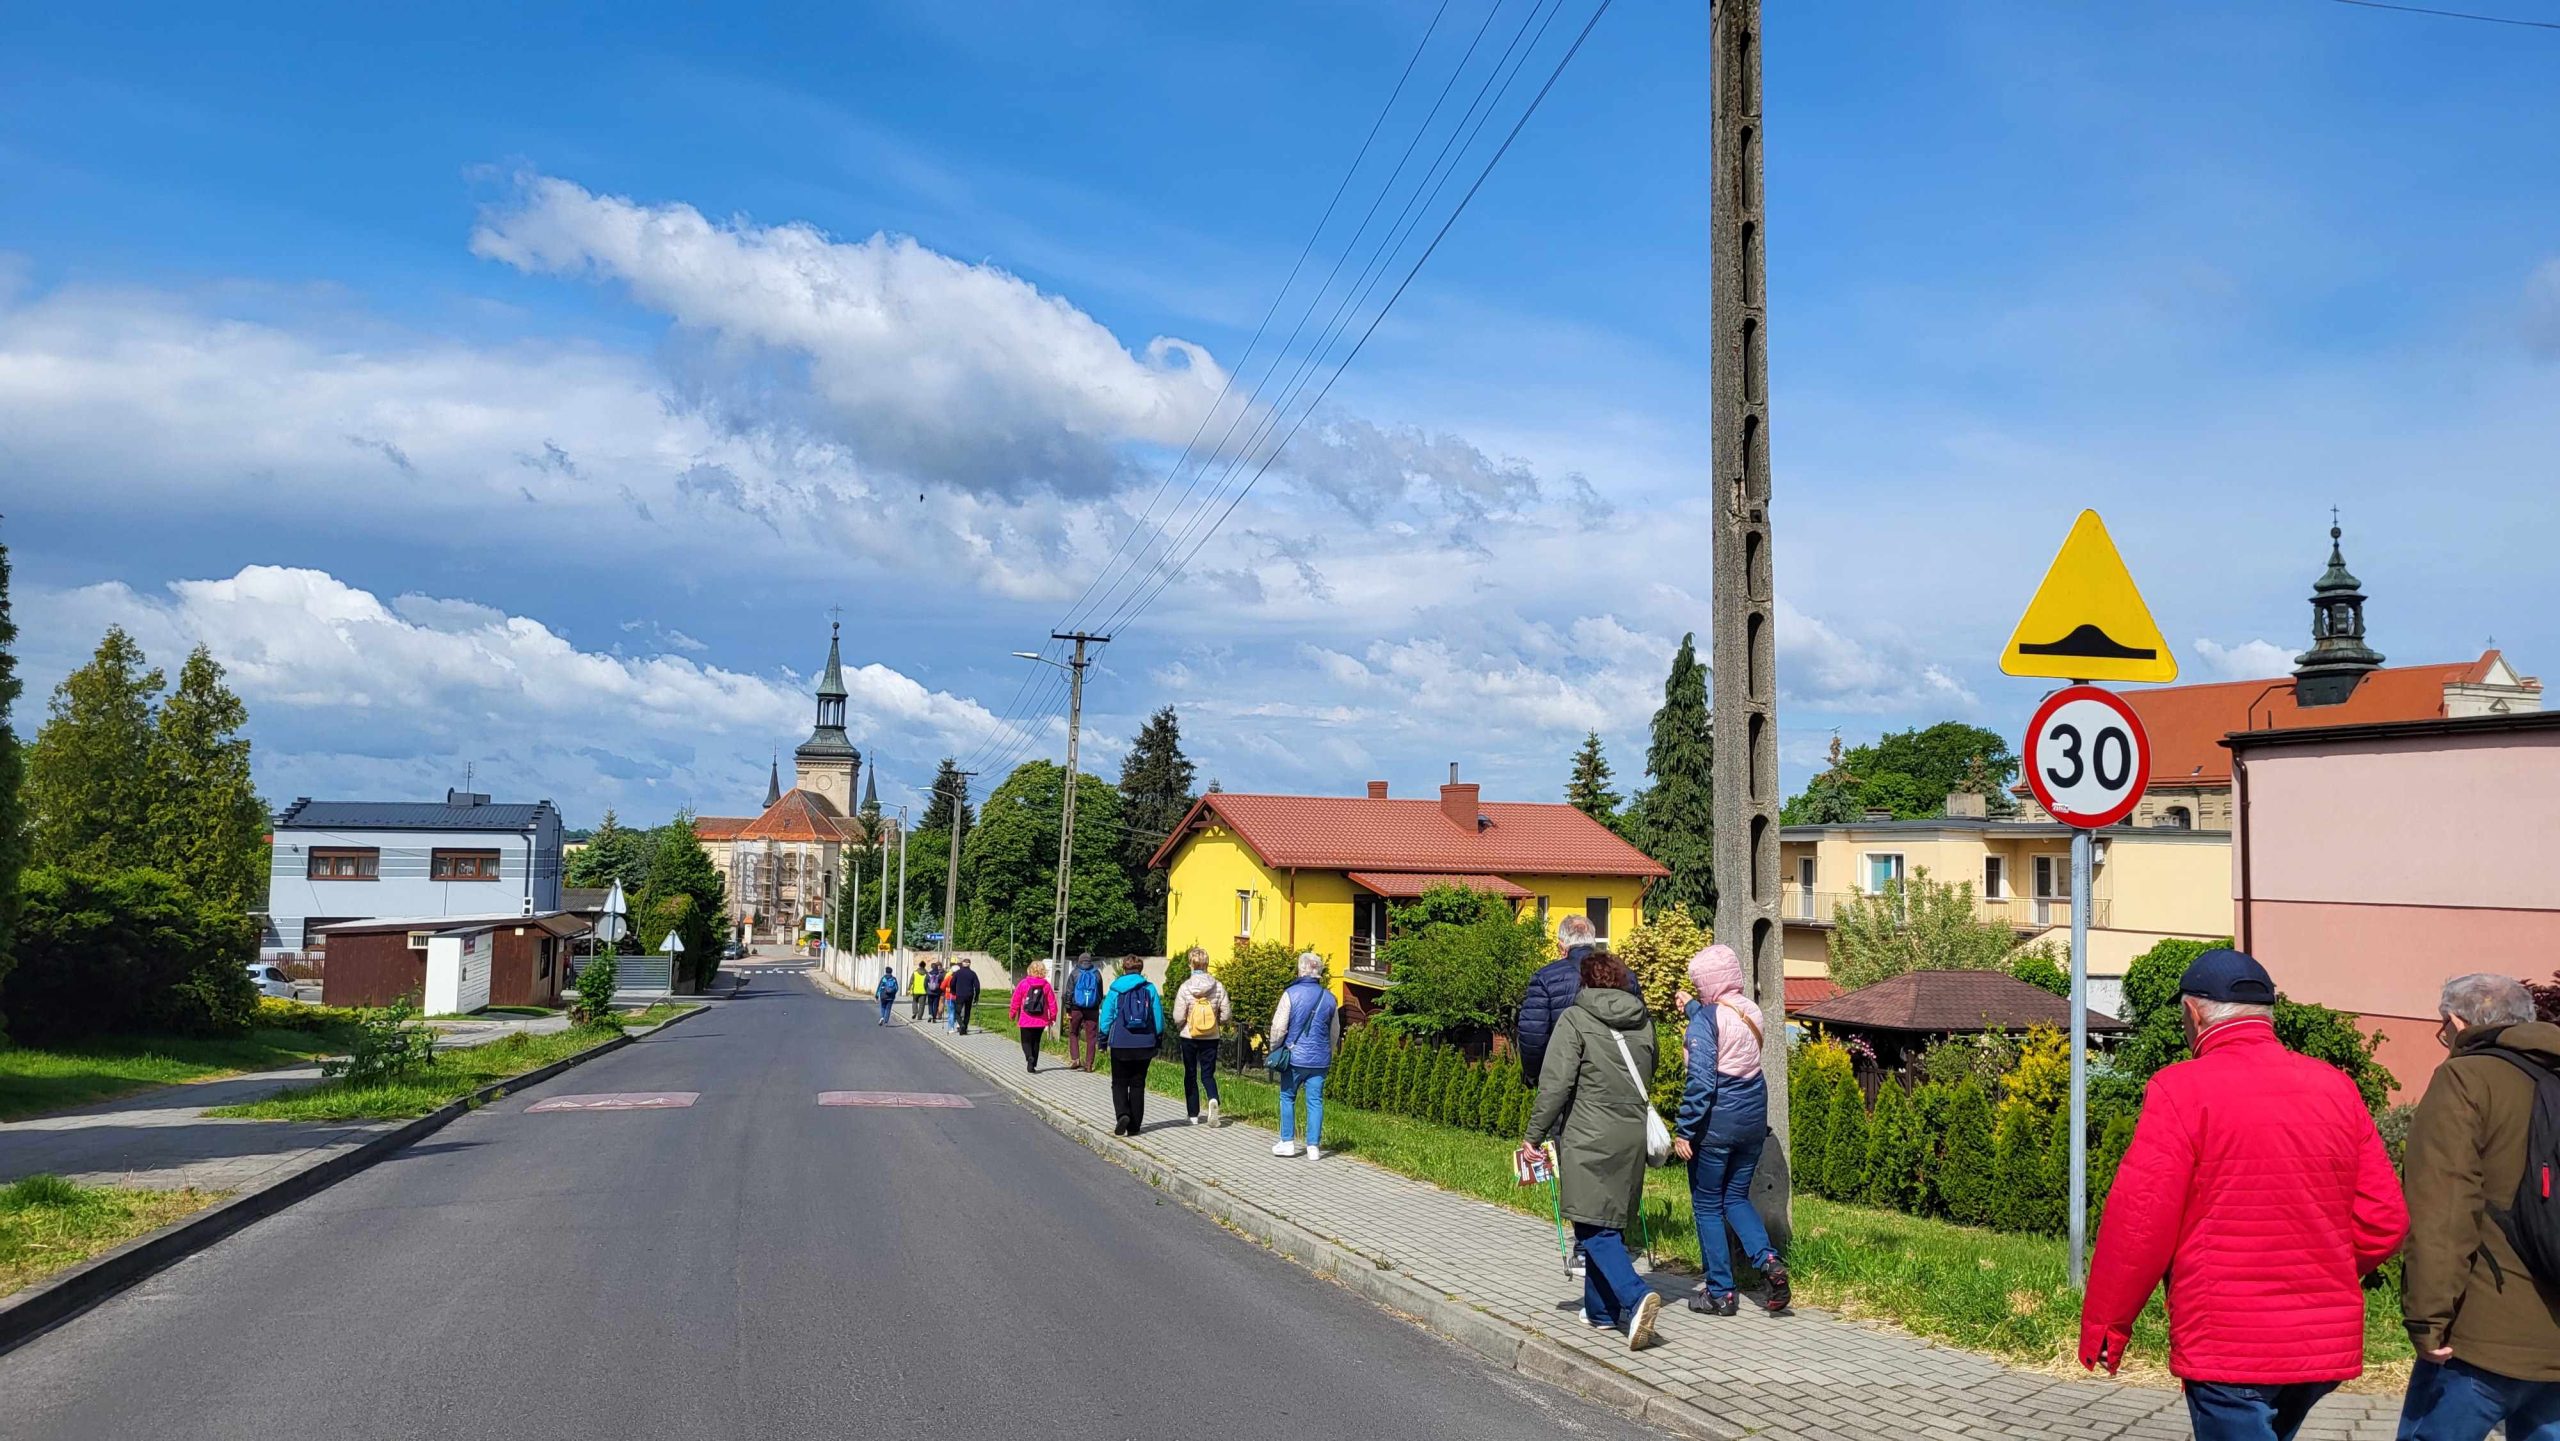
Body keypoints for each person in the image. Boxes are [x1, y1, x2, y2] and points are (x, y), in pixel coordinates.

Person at [2081, 948, 2407, 1440]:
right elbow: (2385, 1219)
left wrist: (2107, 1326)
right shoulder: (2336, 1087)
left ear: (2193, 1013)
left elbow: (2140, 1224)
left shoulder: (2180, 1089)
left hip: (2227, 1344)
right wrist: (2322, 1268)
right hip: (2317, 1347)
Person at [2395, 973, 2560, 1441]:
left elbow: (2444, 1211)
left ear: (2454, 1023)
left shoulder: (2466, 1078)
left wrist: (2428, 1318)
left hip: (2483, 1338)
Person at [1519, 949, 1664, 1352]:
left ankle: (1635, 1297)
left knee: (1589, 1225)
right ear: (1620, 982)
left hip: (1588, 1132)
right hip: (1631, 1132)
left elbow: (1555, 1085)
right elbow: (1653, 1069)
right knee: (1611, 1221)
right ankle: (1601, 1313)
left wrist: (1533, 1136)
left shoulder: (1575, 1020)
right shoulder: (1644, 1022)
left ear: (1585, 982)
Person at [1670, 943, 1788, 1316]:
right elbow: (1722, 1020)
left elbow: (1702, 1081)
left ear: (1708, 982)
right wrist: (1690, 1006)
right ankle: (1769, 1260)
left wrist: (1685, 1130)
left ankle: (1721, 1292)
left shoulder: (1706, 1021)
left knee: (1707, 1205)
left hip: (1716, 1128)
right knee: (1736, 1198)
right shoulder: (1751, 1010)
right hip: (1752, 1123)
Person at [1269, 952, 1340, 1159]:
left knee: (1287, 1096)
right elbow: (1334, 1031)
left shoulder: (1290, 994)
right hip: (1320, 1060)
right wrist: (1329, 1052)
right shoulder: (1329, 998)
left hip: (1294, 1058)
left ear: (1301, 970)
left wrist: (1275, 1048)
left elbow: (1279, 1028)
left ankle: (1287, 1142)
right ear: (1319, 972)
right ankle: (1313, 1147)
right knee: (1315, 1101)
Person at [1097, 956, 1163, 1136]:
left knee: (1118, 1083)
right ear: (1140, 970)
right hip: (1144, 1043)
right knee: (1138, 1084)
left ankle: (1122, 1114)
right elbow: (1158, 1018)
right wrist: (1157, 1040)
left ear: (1124, 969)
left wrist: (1102, 1041)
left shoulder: (1115, 990)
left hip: (1120, 1043)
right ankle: (1134, 1126)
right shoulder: (1150, 989)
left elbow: (1106, 1019)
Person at [1170, 947, 1230, 1126]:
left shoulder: (1185, 987)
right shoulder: (1218, 986)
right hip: (1211, 1036)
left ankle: (1193, 1115)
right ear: (1207, 964)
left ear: (1191, 964)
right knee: (1207, 1073)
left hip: (1189, 1035)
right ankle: (1212, 1098)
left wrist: (1183, 1025)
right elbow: (1226, 1014)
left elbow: (1178, 1016)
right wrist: (1217, 1023)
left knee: (1190, 1073)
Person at [1010, 961, 1058, 1074]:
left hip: (1026, 1019)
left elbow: (1015, 1000)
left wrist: (1012, 1014)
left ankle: (1029, 1057)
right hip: (1041, 1020)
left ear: (1029, 970)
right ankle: (1032, 1064)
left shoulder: (1023, 983)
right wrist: (1053, 1017)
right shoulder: (1046, 985)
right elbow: (1052, 1003)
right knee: (1036, 1042)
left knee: (1025, 1042)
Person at [1062, 953, 1106, 1073]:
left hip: (1076, 1008)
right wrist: (1095, 1005)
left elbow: (1069, 993)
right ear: (1090, 961)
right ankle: (1089, 1065)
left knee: (1073, 1032)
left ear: (1079, 961)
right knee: (1091, 1036)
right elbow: (1100, 994)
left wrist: (1068, 1009)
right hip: (1092, 1009)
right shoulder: (1097, 973)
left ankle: (1075, 1059)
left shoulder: (1075, 973)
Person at [948, 959, 982, 1036]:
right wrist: (976, 996)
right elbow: (977, 986)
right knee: (967, 1012)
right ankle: (964, 1028)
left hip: (960, 995)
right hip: (969, 995)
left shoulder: (957, 973)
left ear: (962, 964)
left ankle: (961, 1025)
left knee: (957, 1012)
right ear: (970, 964)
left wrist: (953, 991)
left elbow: (952, 983)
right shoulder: (973, 974)